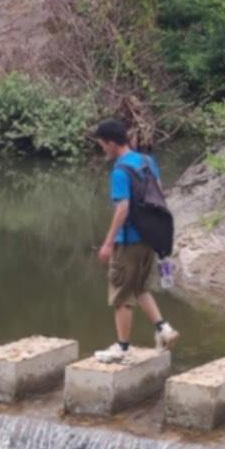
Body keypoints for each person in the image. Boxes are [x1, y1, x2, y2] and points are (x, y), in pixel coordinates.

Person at [93, 118, 179, 363]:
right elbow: (160, 194)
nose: (102, 149)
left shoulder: (120, 170)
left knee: (121, 297)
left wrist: (109, 242)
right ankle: (164, 329)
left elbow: (122, 207)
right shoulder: (146, 161)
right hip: (148, 238)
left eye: (102, 145)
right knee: (139, 288)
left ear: (111, 143)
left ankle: (122, 348)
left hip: (128, 241)